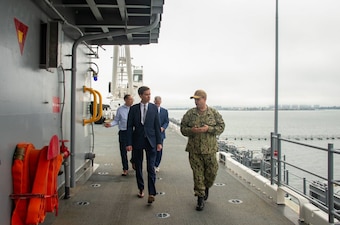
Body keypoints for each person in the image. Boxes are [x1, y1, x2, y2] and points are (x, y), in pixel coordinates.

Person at [180, 89, 225, 211]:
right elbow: (183, 128)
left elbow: (221, 127)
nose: (196, 102)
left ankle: (206, 187)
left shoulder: (213, 113)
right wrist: (192, 131)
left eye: (198, 99)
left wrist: (208, 129)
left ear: (204, 99)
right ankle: (200, 198)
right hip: (194, 150)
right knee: (198, 174)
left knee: (212, 172)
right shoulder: (190, 114)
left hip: (210, 150)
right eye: (195, 99)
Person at [126, 86, 162, 205]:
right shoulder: (134, 109)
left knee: (151, 167)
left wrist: (159, 142)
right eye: (146, 94)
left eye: (150, 94)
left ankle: (152, 193)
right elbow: (129, 127)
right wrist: (129, 143)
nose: (149, 96)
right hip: (137, 141)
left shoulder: (153, 108)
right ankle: (141, 189)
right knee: (139, 167)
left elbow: (157, 126)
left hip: (151, 141)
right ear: (140, 95)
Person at [104, 94, 134, 176]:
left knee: (136, 149)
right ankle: (125, 168)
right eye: (130, 99)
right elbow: (116, 120)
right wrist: (110, 124)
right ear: (126, 100)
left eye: (132, 99)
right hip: (123, 132)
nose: (132, 101)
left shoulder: (135, 109)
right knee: (123, 151)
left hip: (133, 132)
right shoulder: (120, 110)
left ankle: (133, 160)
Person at [153, 96, 169, 172]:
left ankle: (156, 165)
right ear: (154, 102)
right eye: (156, 103)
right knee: (152, 150)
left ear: (161, 102)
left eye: (158, 103)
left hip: (161, 134)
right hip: (152, 134)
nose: (157, 104)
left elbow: (166, 121)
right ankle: (152, 164)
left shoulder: (164, 111)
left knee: (159, 150)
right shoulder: (150, 110)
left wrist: (163, 127)